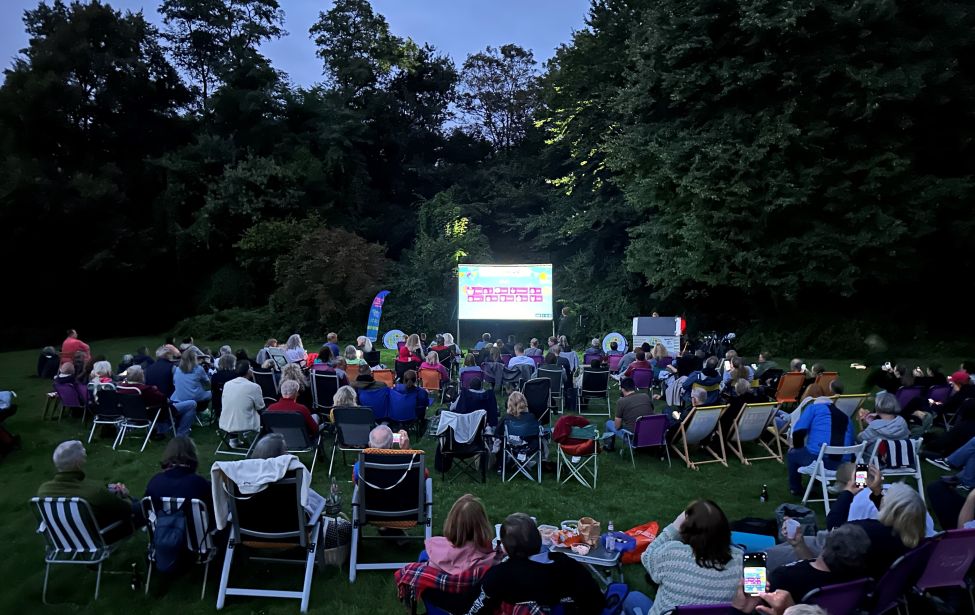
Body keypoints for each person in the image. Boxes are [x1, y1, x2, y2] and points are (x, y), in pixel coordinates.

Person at [465, 513, 602, 615]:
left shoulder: (500, 575)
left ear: (505, 548)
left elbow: (477, 609)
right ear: (538, 539)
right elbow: (596, 599)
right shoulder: (566, 563)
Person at [635, 500, 744, 615]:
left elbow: (647, 556)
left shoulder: (672, 554)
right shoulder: (739, 559)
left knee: (633, 597)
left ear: (687, 529)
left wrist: (674, 527)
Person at [395, 494, 496, 613]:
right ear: (482, 525)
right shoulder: (488, 562)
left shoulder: (432, 554)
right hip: (469, 606)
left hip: (440, 604)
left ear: (451, 522)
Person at [37, 440, 142, 543]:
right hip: (97, 536)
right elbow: (126, 509)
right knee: (142, 506)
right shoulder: (94, 492)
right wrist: (125, 496)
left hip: (65, 539)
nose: (86, 457)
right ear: (78, 463)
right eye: (84, 455)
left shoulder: (43, 490)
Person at [767, 524, 870, 604]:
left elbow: (754, 598)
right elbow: (814, 570)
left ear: (825, 546)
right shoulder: (856, 578)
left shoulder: (783, 576)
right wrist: (799, 545)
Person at [786, 390, 855, 496]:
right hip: (843, 466)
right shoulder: (846, 417)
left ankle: (796, 489)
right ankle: (858, 492)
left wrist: (797, 448)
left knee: (792, 454)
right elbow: (852, 442)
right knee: (861, 462)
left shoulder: (813, 408)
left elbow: (799, 432)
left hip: (819, 463)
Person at [144, 436, 213, 527]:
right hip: (199, 539)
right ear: (192, 455)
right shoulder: (199, 483)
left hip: (161, 536)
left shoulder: (154, 482)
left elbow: (147, 512)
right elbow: (213, 514)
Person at [603, 377, 654, 451]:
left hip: (633, 437)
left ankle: (608, 447)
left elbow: (617, 427)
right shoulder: (645, 396)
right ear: (634, 387)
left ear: (622, 389)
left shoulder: (621, 401)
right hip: (651, 434)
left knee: (608, 423)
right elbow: (652, 412)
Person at [219, 360, 265, 438]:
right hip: (245, 424)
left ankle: (233, 440)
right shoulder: (254, 387)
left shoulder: (227, 384)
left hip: (225, 422)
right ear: (248, 370)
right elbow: (260, 407)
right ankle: (262, 438)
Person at [168, 349, 209, 436]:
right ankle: (213, 415)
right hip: (194, 396)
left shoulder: (177, 369)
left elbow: (175, 383)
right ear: (194, 359)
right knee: (213, 392)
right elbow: (207, 383)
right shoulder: (199, 369)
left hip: (179, 397)